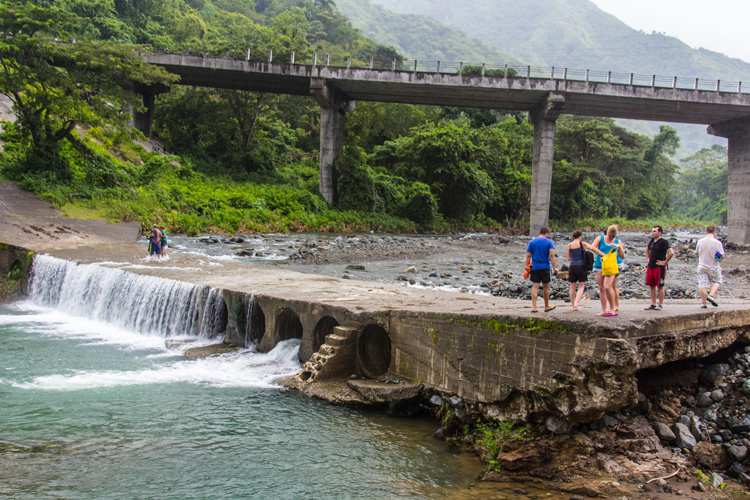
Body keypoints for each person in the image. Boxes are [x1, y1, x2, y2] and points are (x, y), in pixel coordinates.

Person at [591, 225, 625, 317]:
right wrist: (603, 254)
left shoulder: (618, 241)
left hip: (611, 266)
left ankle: (612, 308)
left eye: (613, 236)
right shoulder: (600, 238)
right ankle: (604, 310)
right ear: (607, 233)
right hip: (600, 265)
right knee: (601, 288)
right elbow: (592, 247)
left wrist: (619, 248)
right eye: (610, 236)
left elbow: (623, 256)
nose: (611, 238)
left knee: (607, 287)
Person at [567, 230, 604, 311]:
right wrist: (603, 255)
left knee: (572, 287)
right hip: (581, 266)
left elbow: (568, 258)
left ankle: (572, 305)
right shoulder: (582, 244)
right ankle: (576, 304)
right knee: (581, 286)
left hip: (572, 266)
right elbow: (592, 248)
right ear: (580, 236)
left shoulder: (569, 245)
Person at [525, 227, 558, 313]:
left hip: (535, 267)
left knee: (535, 286)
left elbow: (528, 256)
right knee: (546, 287)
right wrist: (554, 268)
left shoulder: (532, 242)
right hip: (545, 267)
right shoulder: (549, 242)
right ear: (546, 233)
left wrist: (527, 268)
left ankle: (534, 307)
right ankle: (546, 306)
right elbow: (552, 255)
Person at [644, 226, 674, 310]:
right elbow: (647, 249)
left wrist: (665, 262)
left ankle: (660, 304)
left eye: (654, 231)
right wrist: (647, 258)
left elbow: (671, 252)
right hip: (651, 266)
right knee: (652, 285)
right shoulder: (652, 241)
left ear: (660, 232)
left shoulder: (664, 242)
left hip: (659, 267)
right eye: (652, 231)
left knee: (660, 285)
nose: (652, 233)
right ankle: (653, 304)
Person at [696, 225, 724, 308]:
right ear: (714, 232)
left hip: (701, 266)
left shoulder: (700, 242)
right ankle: (711, 296)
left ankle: (703, 303)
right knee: (717, 281)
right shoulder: (717, 243)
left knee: (702, 284)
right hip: (713, 266)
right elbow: (722, 255)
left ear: (706, 232)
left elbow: (698, 253)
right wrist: (719, 258)